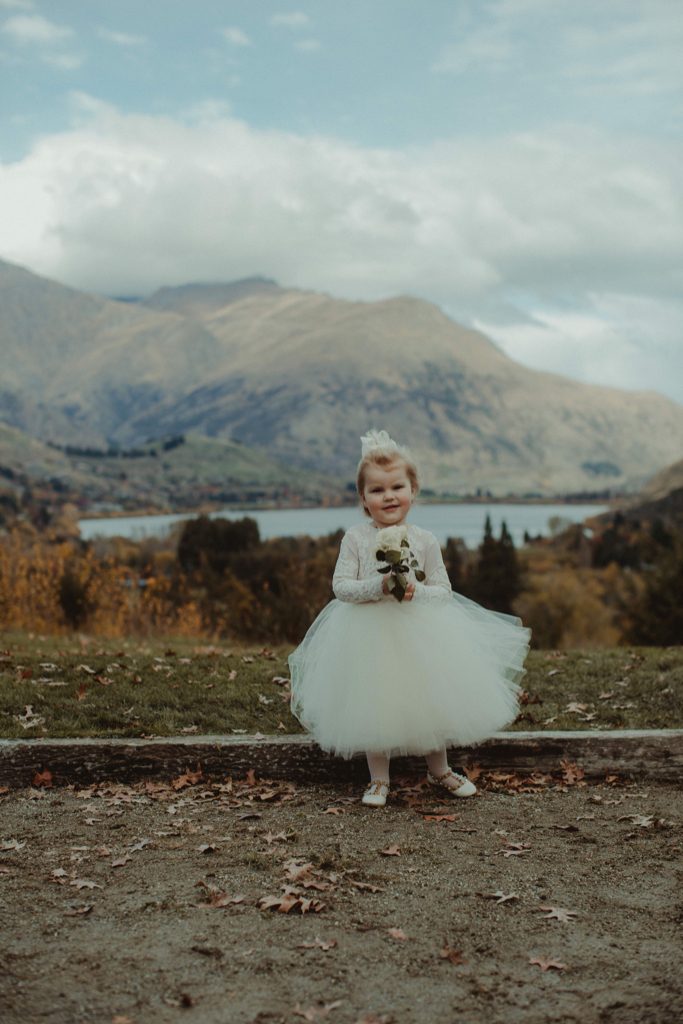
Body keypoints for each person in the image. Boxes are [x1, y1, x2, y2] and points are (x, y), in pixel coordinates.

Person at [288, 429, 531, 807]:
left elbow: (444, 590)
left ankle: (440, 770)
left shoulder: (424, 539)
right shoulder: (355, 538)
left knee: (428, 696)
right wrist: (378, 586)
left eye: (397, 487)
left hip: (421, 632)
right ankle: (379, 779)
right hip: (366, 632)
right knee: (373, 699)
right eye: (377, 490)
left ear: (413, 490)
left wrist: (416, 590)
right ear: (363, 499)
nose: (388, 496)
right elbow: (341, 588)